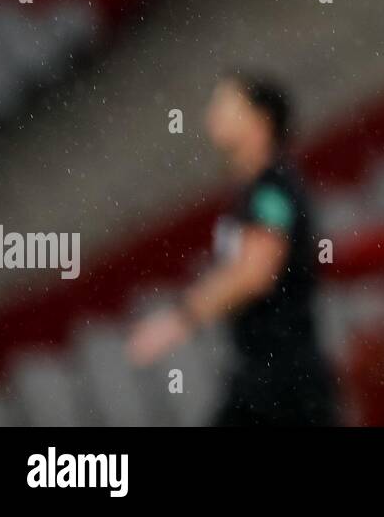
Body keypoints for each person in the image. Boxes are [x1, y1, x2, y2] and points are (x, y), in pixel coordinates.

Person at [128, 72, 336, 426]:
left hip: (282, 377)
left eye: (227, 105)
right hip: (269, 374)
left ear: (260, 120)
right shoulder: (253, 192)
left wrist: (180, 318)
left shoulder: (272, 190)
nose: (214, 114)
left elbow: (255, 272)